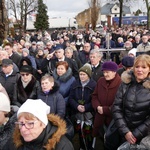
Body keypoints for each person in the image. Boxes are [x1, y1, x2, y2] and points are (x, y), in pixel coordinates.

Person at [107, 54, 150, 150]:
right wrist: (125, 131)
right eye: (137, 66)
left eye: (144, 67)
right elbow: (116, 107)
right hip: (122, 132)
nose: (139, 70)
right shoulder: (125, 83)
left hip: (144, 137)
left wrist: (136, 134)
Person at [5, 99, 74, 150]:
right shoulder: (15, 141)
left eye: (30, 123)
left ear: (43, 124)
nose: (23, 129)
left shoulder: (62, 146)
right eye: (21, 123)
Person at [92, 61, 121, 149]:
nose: (105, 74)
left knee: (111, 141)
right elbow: (94, 95)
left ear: (114, 72)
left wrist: (105, 110)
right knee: (99, 139)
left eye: (107, 72)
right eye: (104, 72)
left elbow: (120, 103)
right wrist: (97, 107)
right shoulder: (101, 81)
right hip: (99, 117)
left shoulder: (121, 83)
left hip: (113, 120)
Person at [69, 63, 97, 150]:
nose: (81, 76)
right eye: (80, 74)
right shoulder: (75, 84)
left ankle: (89, 147)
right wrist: (77, 106)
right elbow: (71, 98)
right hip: (78, 113)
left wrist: (86, 107)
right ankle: (82, 146)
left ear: (88, 75)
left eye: (84, 74)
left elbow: (95, 99)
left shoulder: (94, 85)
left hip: (89, 114)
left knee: (88, 132)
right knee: (80, 132)